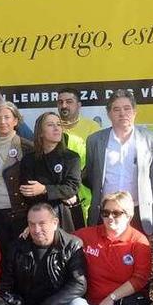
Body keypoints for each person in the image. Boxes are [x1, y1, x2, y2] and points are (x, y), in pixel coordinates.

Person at [75, 191, 151, 305]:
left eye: (116, 213)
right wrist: (34, 229)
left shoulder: (139, 241)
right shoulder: (87, 235)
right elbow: (59, 236)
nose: (110, 217)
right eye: (105, 212)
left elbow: (140, 279)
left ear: (129, 215)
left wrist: (111, 298)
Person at [83, 90, 153, 235]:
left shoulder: (150, 139)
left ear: (135, 112)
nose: (122, 113)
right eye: (116, 109)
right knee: (103, 255)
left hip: (138, 211)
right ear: (109, 114)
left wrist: (142, 196)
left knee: (137, 255)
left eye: (127, 108)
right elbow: (90, 175)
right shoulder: (94, 140)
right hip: (105, 212)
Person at [0, 102, 33, 253]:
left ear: (16, 121)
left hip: (21, 213)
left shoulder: (27, 147)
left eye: (7, 117)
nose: (2, 122)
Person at [20, 112, 83, 232]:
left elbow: (72, 187)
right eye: (50, 125)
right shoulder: (29, 160)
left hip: (67, 217)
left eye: (58, 124)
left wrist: (44, 189)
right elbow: (27, 192)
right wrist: (61, 194)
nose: (56, 128)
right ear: (40, 132)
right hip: (39, 218)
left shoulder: (71, 157)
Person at [57, 87, 98, 221]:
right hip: (58, 194)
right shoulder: (52, 127)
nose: (64, 105)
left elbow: (97, 162)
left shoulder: (92, 127)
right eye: (60, 102)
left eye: (69, 102)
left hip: (86, 192)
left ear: (79, 105)